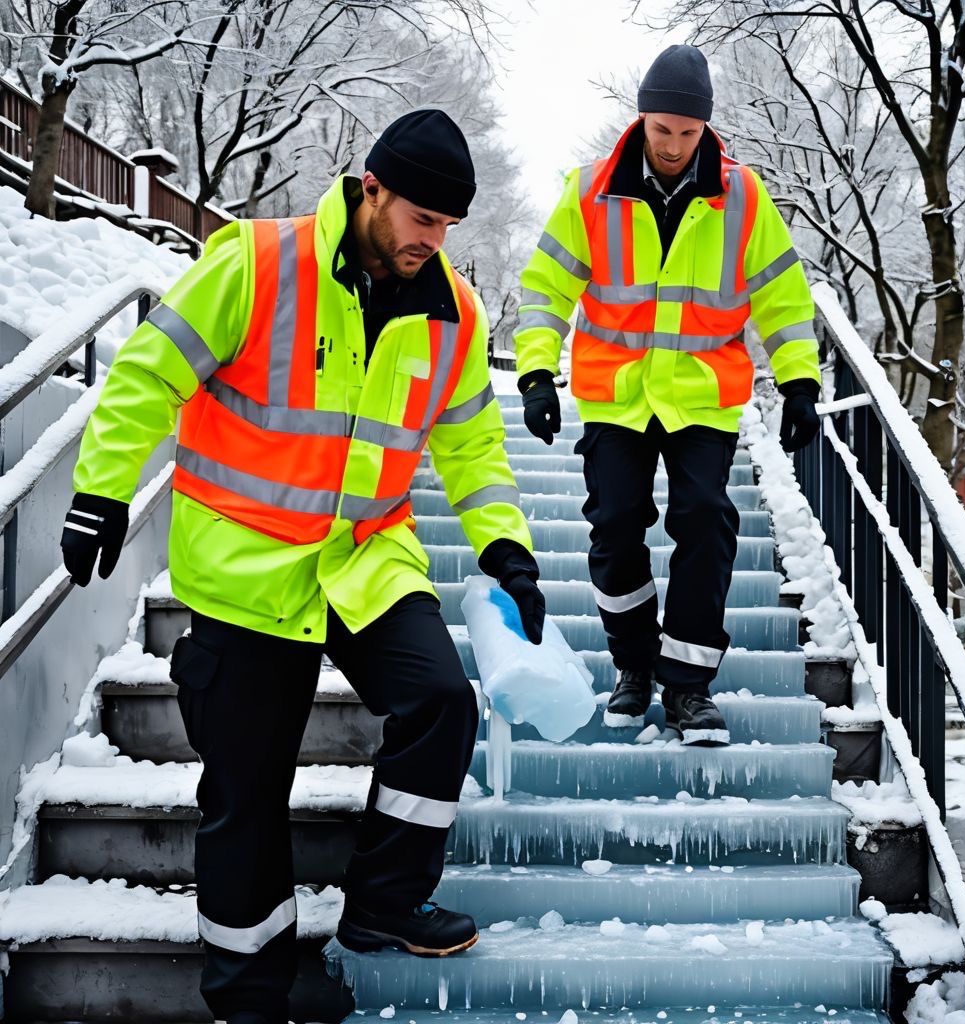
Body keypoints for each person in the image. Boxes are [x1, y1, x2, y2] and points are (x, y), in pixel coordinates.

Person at [60, 109, 545, 1024]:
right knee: (246, 794)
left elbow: (474, 445)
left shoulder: (452, 310)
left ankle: (383, 906)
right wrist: (100, 491)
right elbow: (146, 373)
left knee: (442, 701)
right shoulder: (255, 261)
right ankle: (249, 996)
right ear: (371, 190)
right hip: (246, 571)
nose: (431, 243)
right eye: (420, 220)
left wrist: (507, 548)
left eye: (447, 228)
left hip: (365, 557)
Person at [513, 45, 820, 746]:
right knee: (616, 523)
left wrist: (800, 379)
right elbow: (546, 289)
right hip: (616, 393)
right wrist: (534, 374)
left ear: (704, 128)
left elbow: (781, 294)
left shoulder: (742, 196)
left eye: (687, 133)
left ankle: (687, 687)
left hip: (702, 395)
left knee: (706, 521)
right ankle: (633, 666)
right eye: (662, 130)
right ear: (642, 118)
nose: (675, 146)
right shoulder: (590, 191)